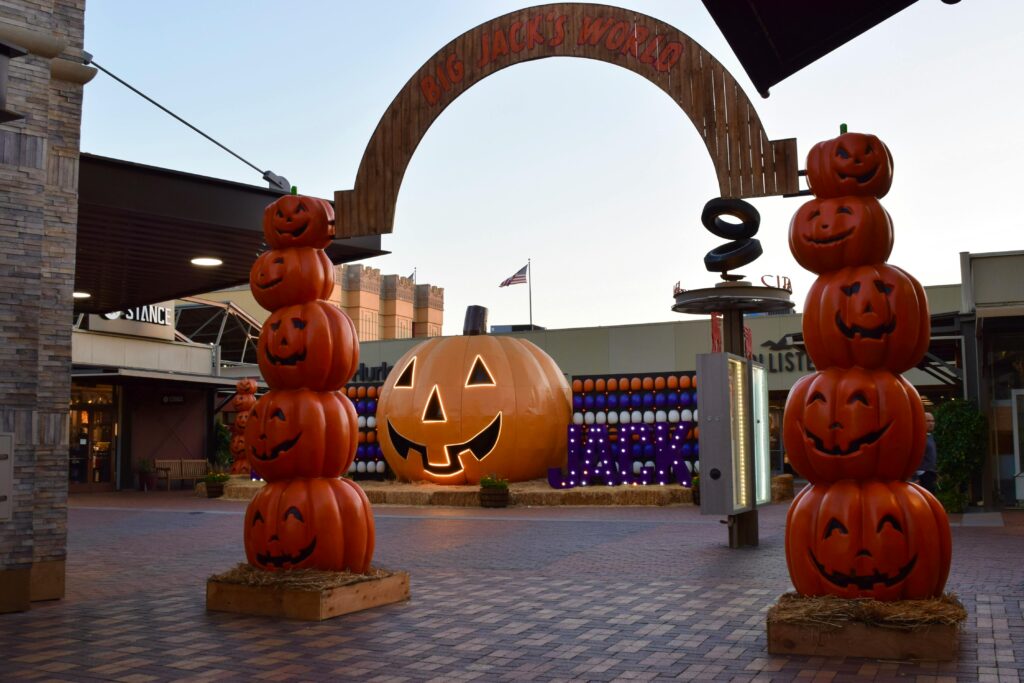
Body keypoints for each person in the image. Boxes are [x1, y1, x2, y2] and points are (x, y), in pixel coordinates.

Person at [917, 412, 938, 495]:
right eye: (928, 421)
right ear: (922, 421)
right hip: (923, 474)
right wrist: (915, 476)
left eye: (933, 421)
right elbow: (914, 456)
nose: (931, 423)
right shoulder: (919, 437)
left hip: (931, 473)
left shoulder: (930, 436)